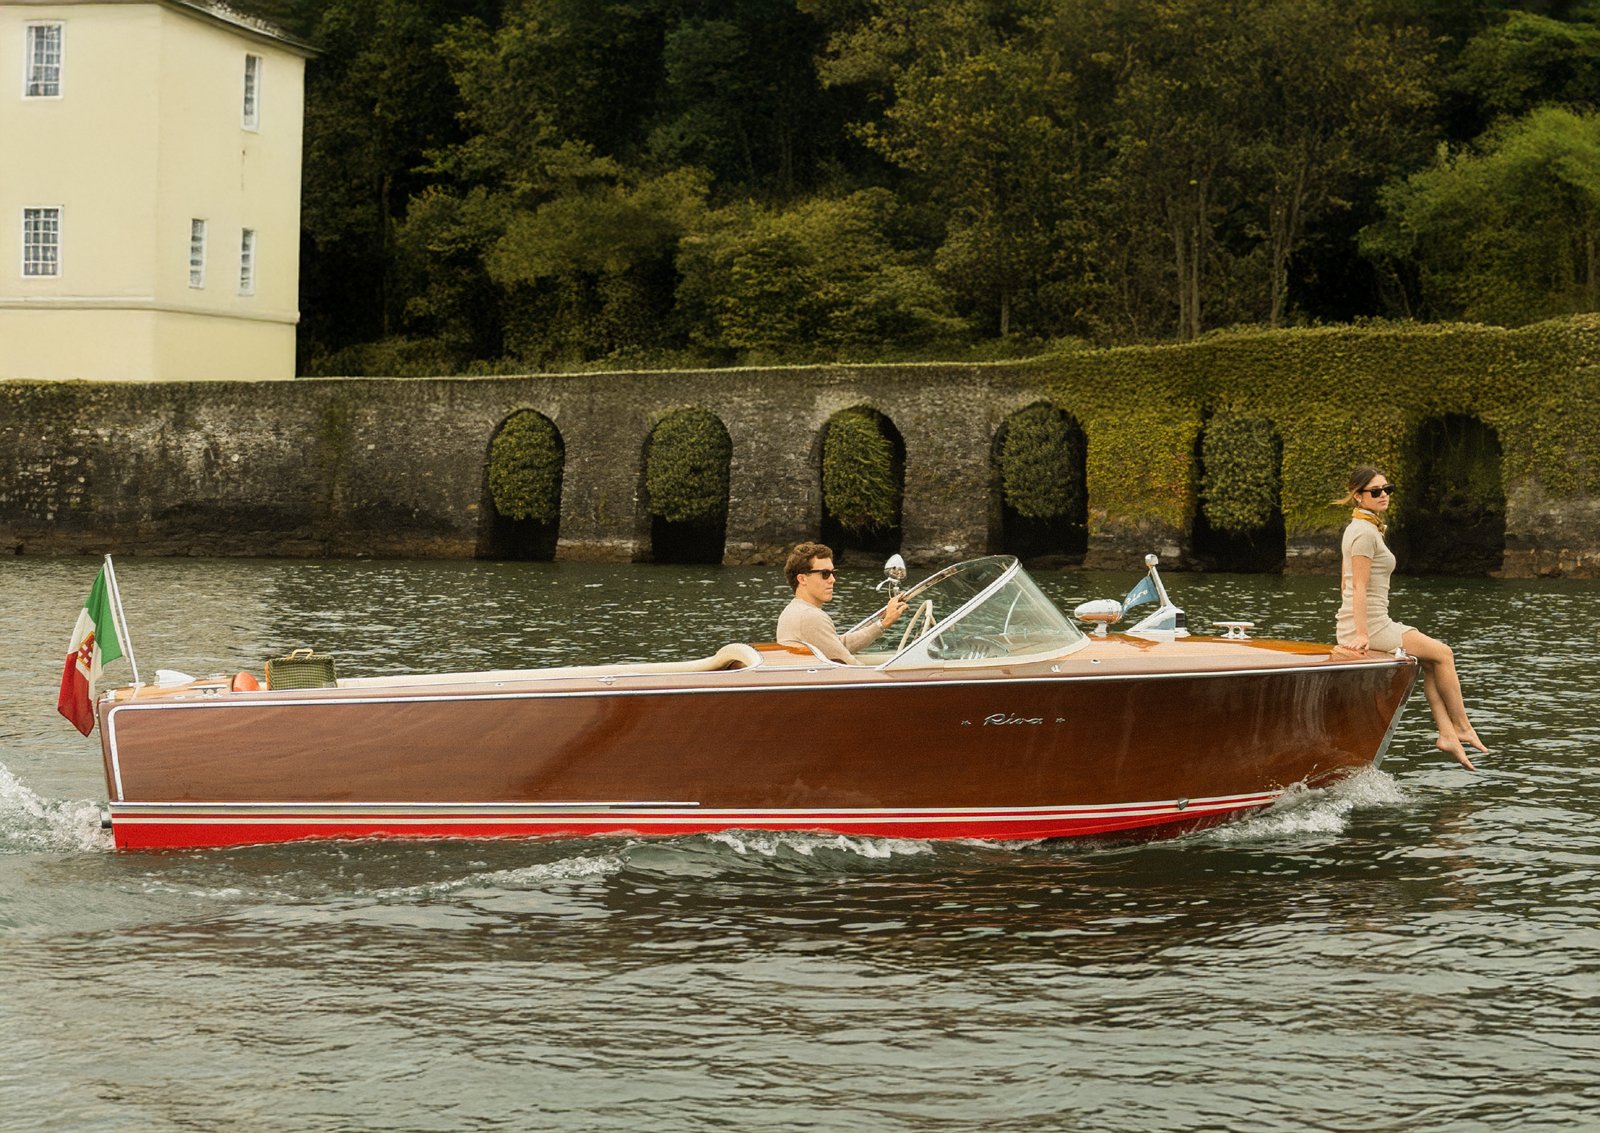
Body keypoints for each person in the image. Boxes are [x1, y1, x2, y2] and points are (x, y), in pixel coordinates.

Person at [1335, 465, 1486, 771]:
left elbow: (1345, 579)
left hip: (1375, 619)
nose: (1383, 496)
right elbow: (1358, 586)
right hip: (1372, 625)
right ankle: (1461, 726)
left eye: (1386, 490)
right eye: (1375, 492)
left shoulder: (1362, 527)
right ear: (1357, 496)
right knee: (1444, 653)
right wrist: (1361, 634)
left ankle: (1446, 733)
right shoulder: (1364, 532)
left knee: (1431, 660)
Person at [777, 542, 909, 664]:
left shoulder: (795, 610)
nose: (832, 580)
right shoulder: (809, 616)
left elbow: (838, 645)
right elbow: (849, 665)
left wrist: (883, 622)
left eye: (833, 573)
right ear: (802, 579)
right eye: (825, 574)